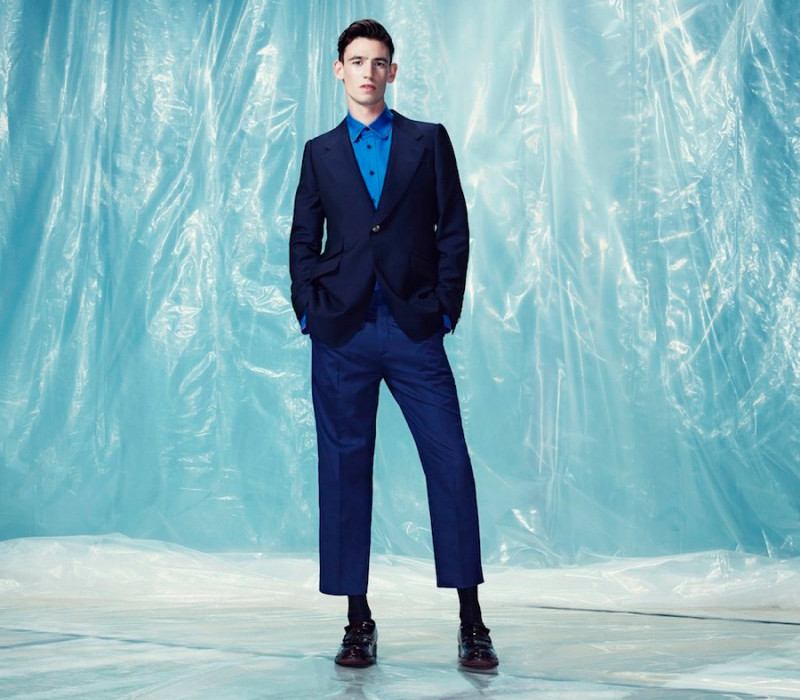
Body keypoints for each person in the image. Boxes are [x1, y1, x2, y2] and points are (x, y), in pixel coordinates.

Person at [289, 18, 498, 672]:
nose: (368, 72)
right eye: (357, 61)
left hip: (412, 326)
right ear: (339, 70)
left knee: (450, 463)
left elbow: (453, 228)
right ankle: (357, 621)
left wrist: (443, 308)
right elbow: (303, 238)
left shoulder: (427, 140)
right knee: (344, 470)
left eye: (379, 62)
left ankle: (472, 620)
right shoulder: (320, 152)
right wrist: (309, 311)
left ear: (393, 71)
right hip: (342, 331)